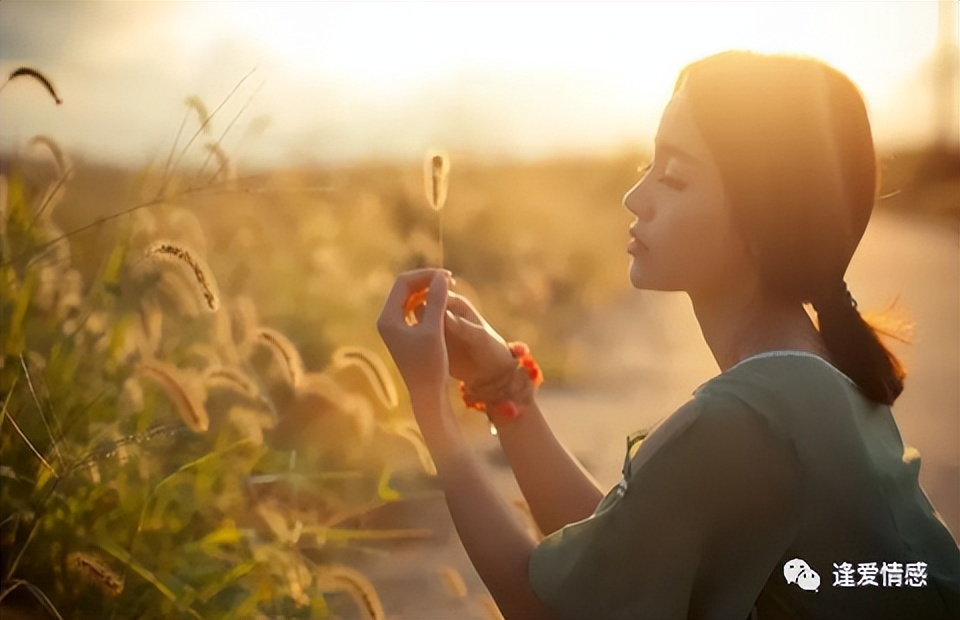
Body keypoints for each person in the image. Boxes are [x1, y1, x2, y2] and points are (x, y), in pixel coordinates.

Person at [376, 50, 960, 619]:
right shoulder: (807, 375)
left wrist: (430, 407)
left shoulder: (748, 417)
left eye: (675, 178)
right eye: (647, 168)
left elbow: (548, 610)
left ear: (763, 219)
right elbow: (624, 557)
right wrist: (503, 386)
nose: (636, 198)